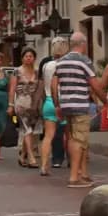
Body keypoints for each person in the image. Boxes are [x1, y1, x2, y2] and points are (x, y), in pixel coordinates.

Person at [52, 32, 104, 187]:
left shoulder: (60, 62)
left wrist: (57, 105)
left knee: (73, 137)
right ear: (82, 44)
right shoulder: (84, 61)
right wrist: (106, 101)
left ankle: (83, 173)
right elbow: (95, 85)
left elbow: (54, 85)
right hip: (80, 104)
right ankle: (74, 177)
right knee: (79, 139)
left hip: (66, 104)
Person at [38, 37, 69, 175]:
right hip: (63, 101)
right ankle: (73, 162)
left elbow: (43, 84)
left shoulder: (46, 65)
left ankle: (44, 166)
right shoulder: (66, 64)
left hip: (48, 101)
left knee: (48, 136)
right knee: (69, 135)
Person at [10, 47, 42, 169]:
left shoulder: (38, 72)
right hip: (21, 103)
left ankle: (22, 155)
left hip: (34, 105)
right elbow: (12, 89)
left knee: (30, 131)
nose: (28, 58)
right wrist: (11, 105)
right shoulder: (16, 71)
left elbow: (40, 88)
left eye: (31, 56)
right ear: (22, 58)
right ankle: (31, 157)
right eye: (26, 56)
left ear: (34, 58)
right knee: (27, 129)